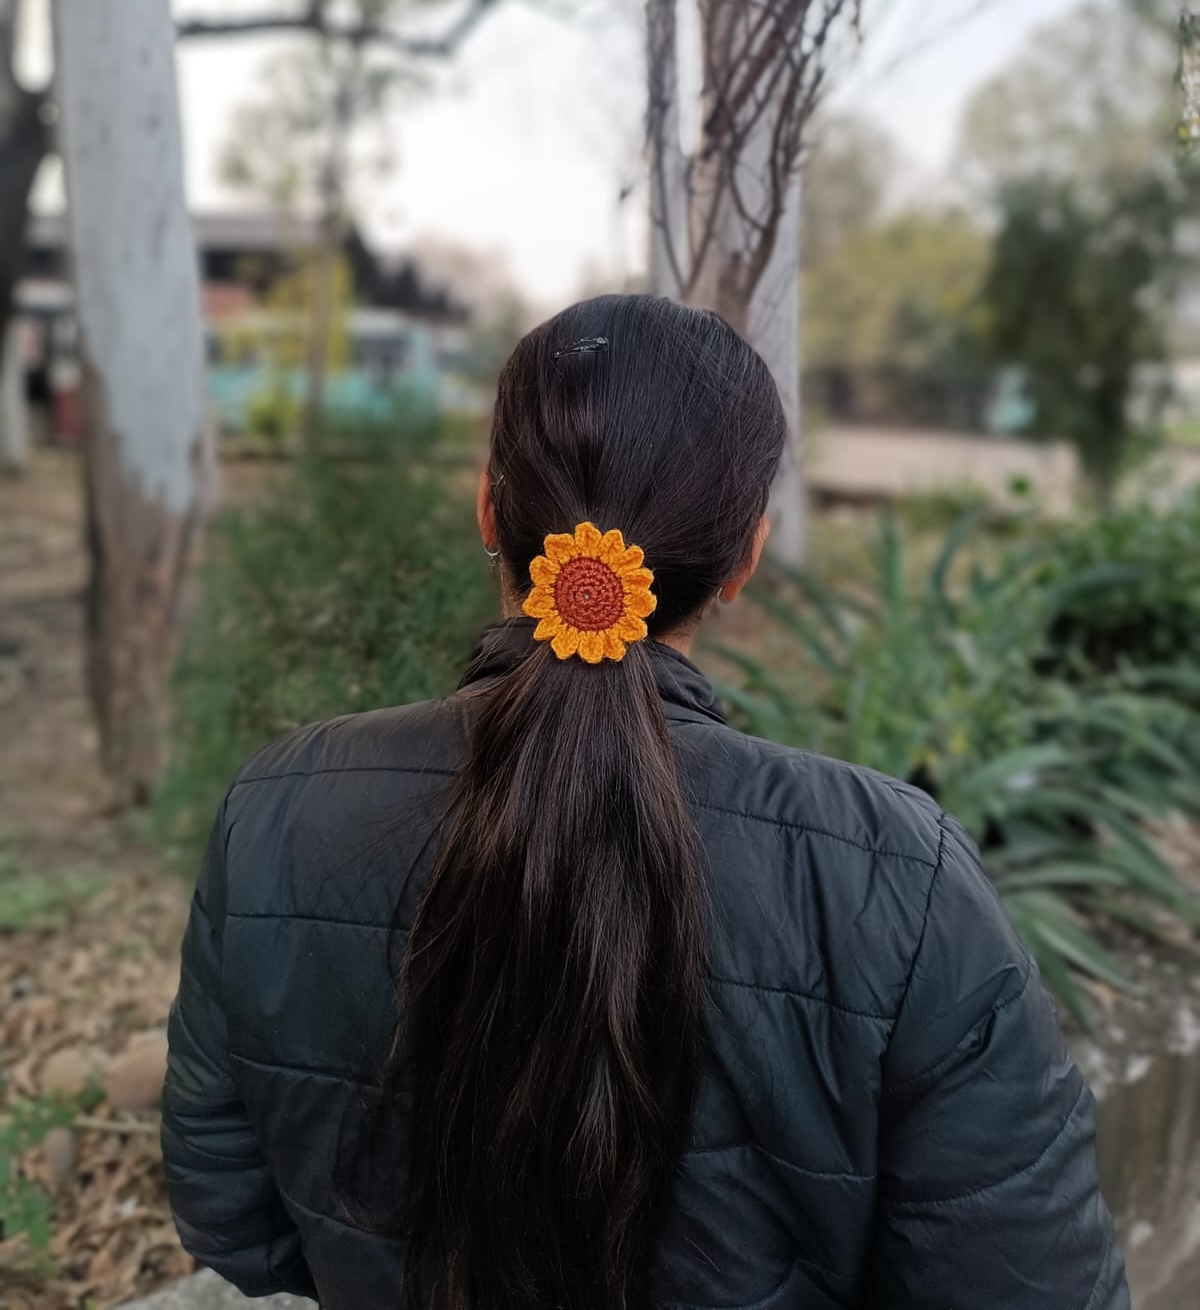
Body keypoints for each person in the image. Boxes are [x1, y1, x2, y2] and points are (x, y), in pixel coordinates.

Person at [162, 295, 1129, 1310]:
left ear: (489, 512)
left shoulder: (272, 812)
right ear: (747, 556)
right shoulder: (900, 876)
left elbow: (236, 1217)